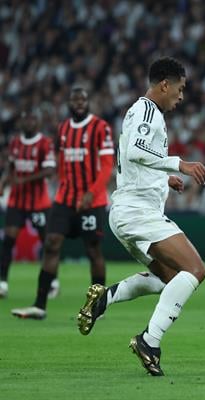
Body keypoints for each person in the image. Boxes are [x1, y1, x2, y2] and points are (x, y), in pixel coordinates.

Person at [76, 57, 205, 377]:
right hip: (137, 212)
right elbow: (135, 151)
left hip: (128, 212)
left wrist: (164, 179)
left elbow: (134, 161)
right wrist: (180, 165)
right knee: (195, 269)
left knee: (168, 278)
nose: (180, 95)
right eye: (179, 88)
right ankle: (150, 341)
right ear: (165, 84)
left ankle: (104, 299)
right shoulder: (147, 110)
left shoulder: (145, 113)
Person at [11, 87, 114, 319]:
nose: (79, 103)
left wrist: (91, 192)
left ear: (88, 102)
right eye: (74, 99)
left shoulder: (100, 128)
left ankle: (98, 306)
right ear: (69, 103)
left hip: (92, 200)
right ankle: (39, 305)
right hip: (64, 199)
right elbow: (61, 161)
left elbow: (107, 165)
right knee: (51, 243)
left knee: (93, 250)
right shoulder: (63, 128)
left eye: (83, 99)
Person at [0, 110, 56, 298]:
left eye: (32, 119)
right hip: (16, 201)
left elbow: (49, 170)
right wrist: (3, 182)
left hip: (39, 203)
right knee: (8, 240)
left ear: (37, 122)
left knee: (48, 244)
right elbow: (10, 166)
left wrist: (26, 180)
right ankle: (2, 283)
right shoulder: (15, 141)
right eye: (25, 119)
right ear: (21, 122)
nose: (28, 122)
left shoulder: (44, 143)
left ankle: (53, 282)